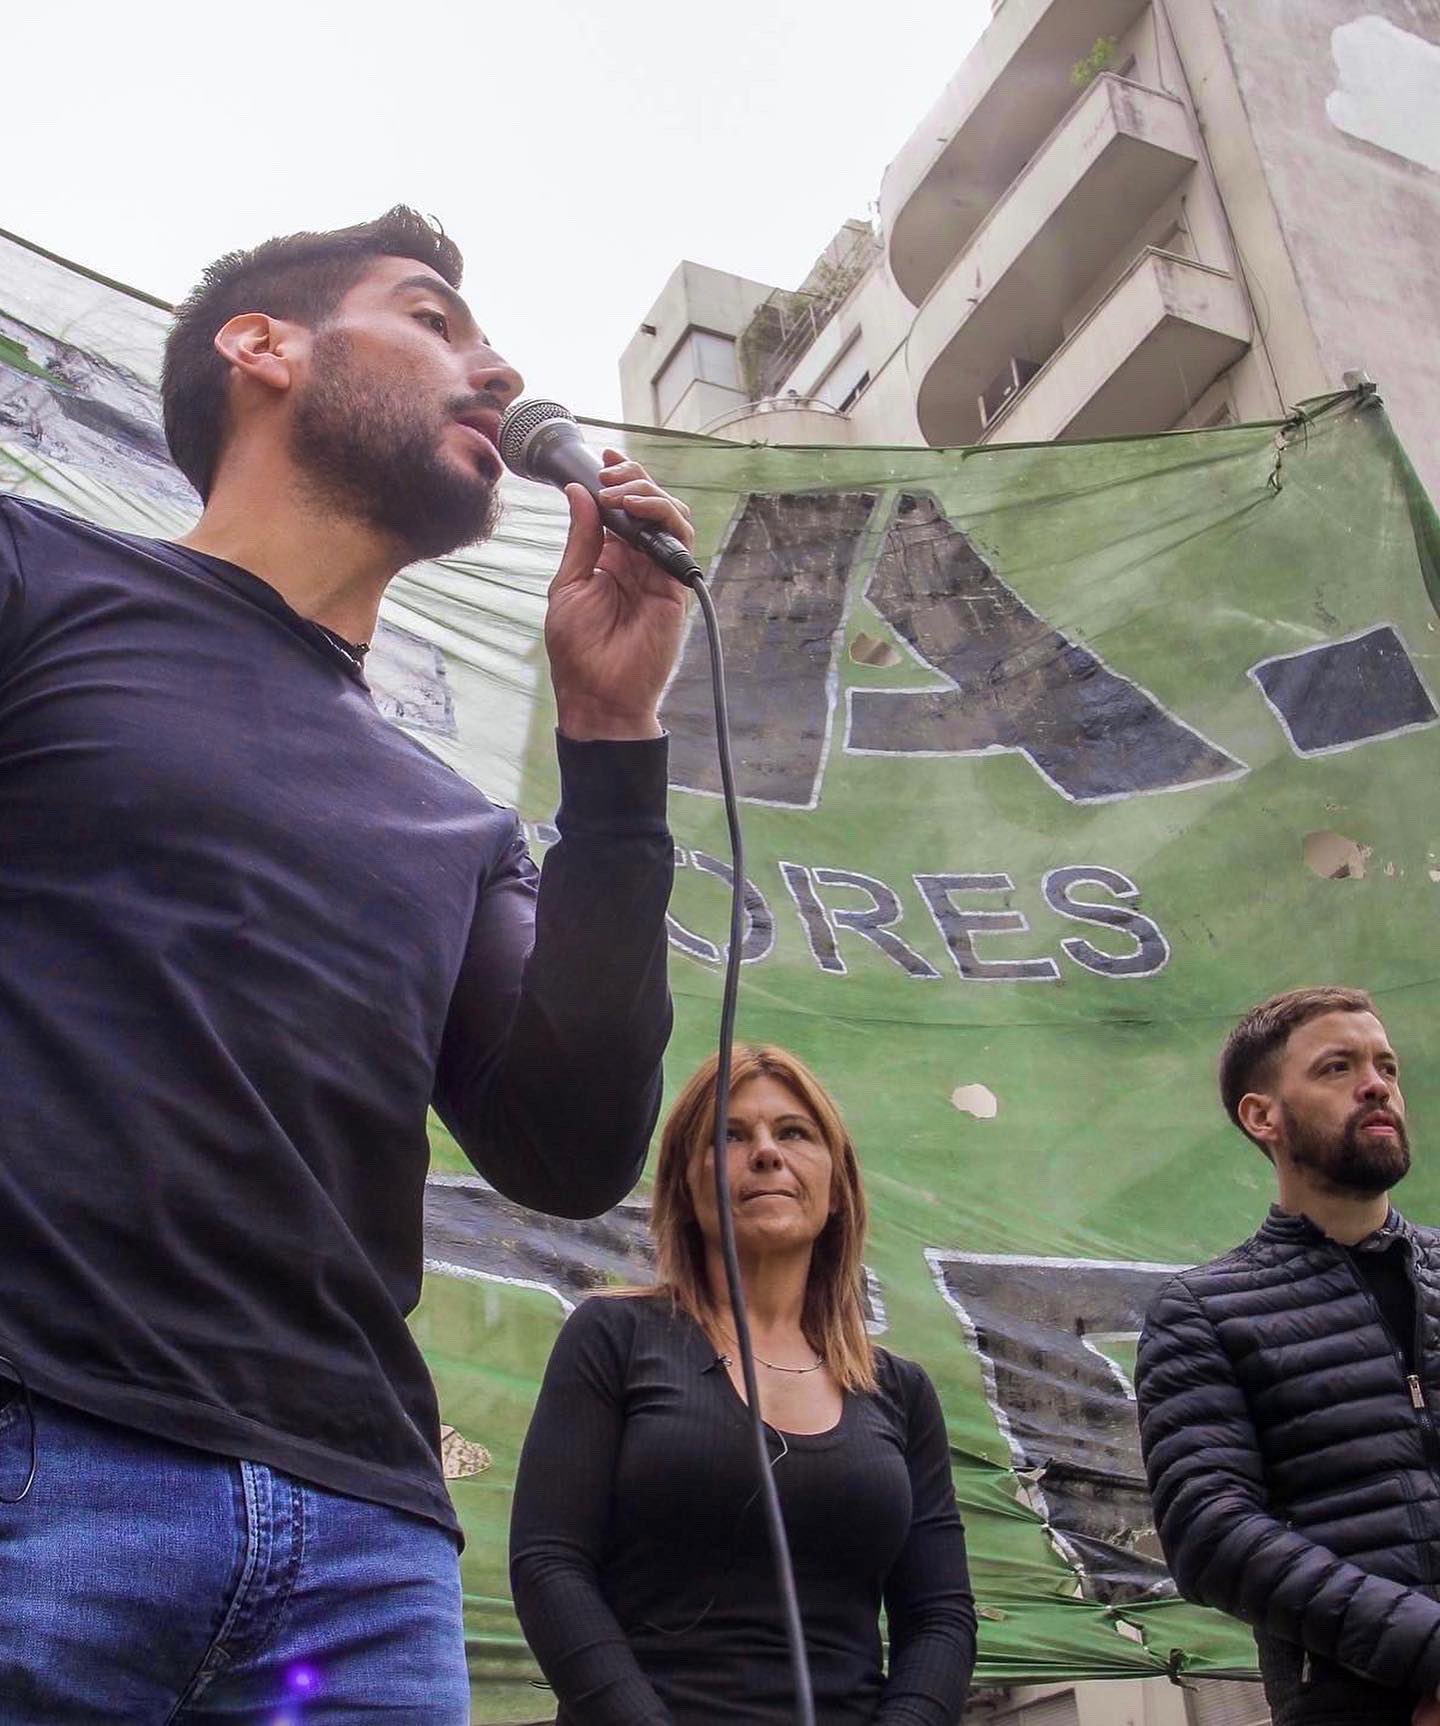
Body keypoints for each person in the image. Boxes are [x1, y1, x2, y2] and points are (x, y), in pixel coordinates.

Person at [0, 207, 692, 1722]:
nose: (497, 367)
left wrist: (615, 739)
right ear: (264, 348)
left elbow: (573, 1149)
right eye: (433, 316)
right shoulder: (36, 580)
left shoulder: (457, 821)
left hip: (362, 1558)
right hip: (38, 1471)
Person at [509, 1044, 977, 1724]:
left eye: (793, 1132)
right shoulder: (613, 1336)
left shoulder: (899, 1392)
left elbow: (939, 1616)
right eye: (728, 1136)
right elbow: (549, 1565)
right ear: (685, 1186)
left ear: (837, 1183)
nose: (765, 1152)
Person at [1135, 986, 1440, 1726]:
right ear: (1261, 1115)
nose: (1377, 1085)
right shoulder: (1202, 1313)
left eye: (1387, 1067)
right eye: (1337, 1067)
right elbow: (1211, 1534)